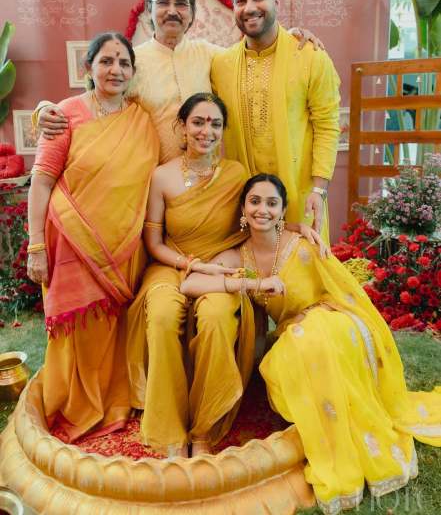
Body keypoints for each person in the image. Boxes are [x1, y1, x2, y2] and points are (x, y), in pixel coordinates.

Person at [181, 173, 441, 514]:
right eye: (255, 202)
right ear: (243, 209)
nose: (263, 210)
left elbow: (341, 288)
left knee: (313, 337)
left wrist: (323, 315)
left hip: (333, 318)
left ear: (283, 210)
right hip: (293, 330)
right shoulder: (237, 257)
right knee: (289, 354)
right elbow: (190, 285)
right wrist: (246, 285)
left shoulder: (302, 243)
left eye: (272, 203)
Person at [126, 92, 326, 458]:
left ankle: (206, 425)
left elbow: (259, 213)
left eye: (215, 124)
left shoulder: (234, 174)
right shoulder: (162, 177)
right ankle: (170, 428)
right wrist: (191, 264)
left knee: (217, 317)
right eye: (198, 122)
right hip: (172, 265)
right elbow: (153, 243)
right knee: (162, 316)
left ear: (223, 131)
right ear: (182, 127)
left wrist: (297, 227)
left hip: (223, 263)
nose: (207, 131)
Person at [35, 0, 324, 165]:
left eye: (181, 4)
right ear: (149, 10)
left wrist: (290, 36)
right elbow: (92, 101)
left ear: (192, 14)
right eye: (163, 3)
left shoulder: (211, 56)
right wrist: (44, 109)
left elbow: (256, 58)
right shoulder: (132, 62)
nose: (172, 11)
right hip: (150, 186)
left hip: (206, 182)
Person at [26, 32, 159, 443]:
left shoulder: (141, 121)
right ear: (89, 68)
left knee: (113, 331)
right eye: (106, 61)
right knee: (79, 331)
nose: (115, 70)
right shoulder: (65, 114)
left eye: (123, 62)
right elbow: (41, 183)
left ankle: (113, 402)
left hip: (123, 248)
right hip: (71, 242)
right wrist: (35, 247)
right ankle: (76, 407)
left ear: (133, 72)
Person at [211, 0, 341, 239]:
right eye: (240, 0)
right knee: (249, 277)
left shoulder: (310, 57)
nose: (249, 7)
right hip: (245, 202)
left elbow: (328, 126)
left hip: (299, 196)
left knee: (299, 276)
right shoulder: (220, 64)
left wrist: (319, 190)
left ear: (276, 2)